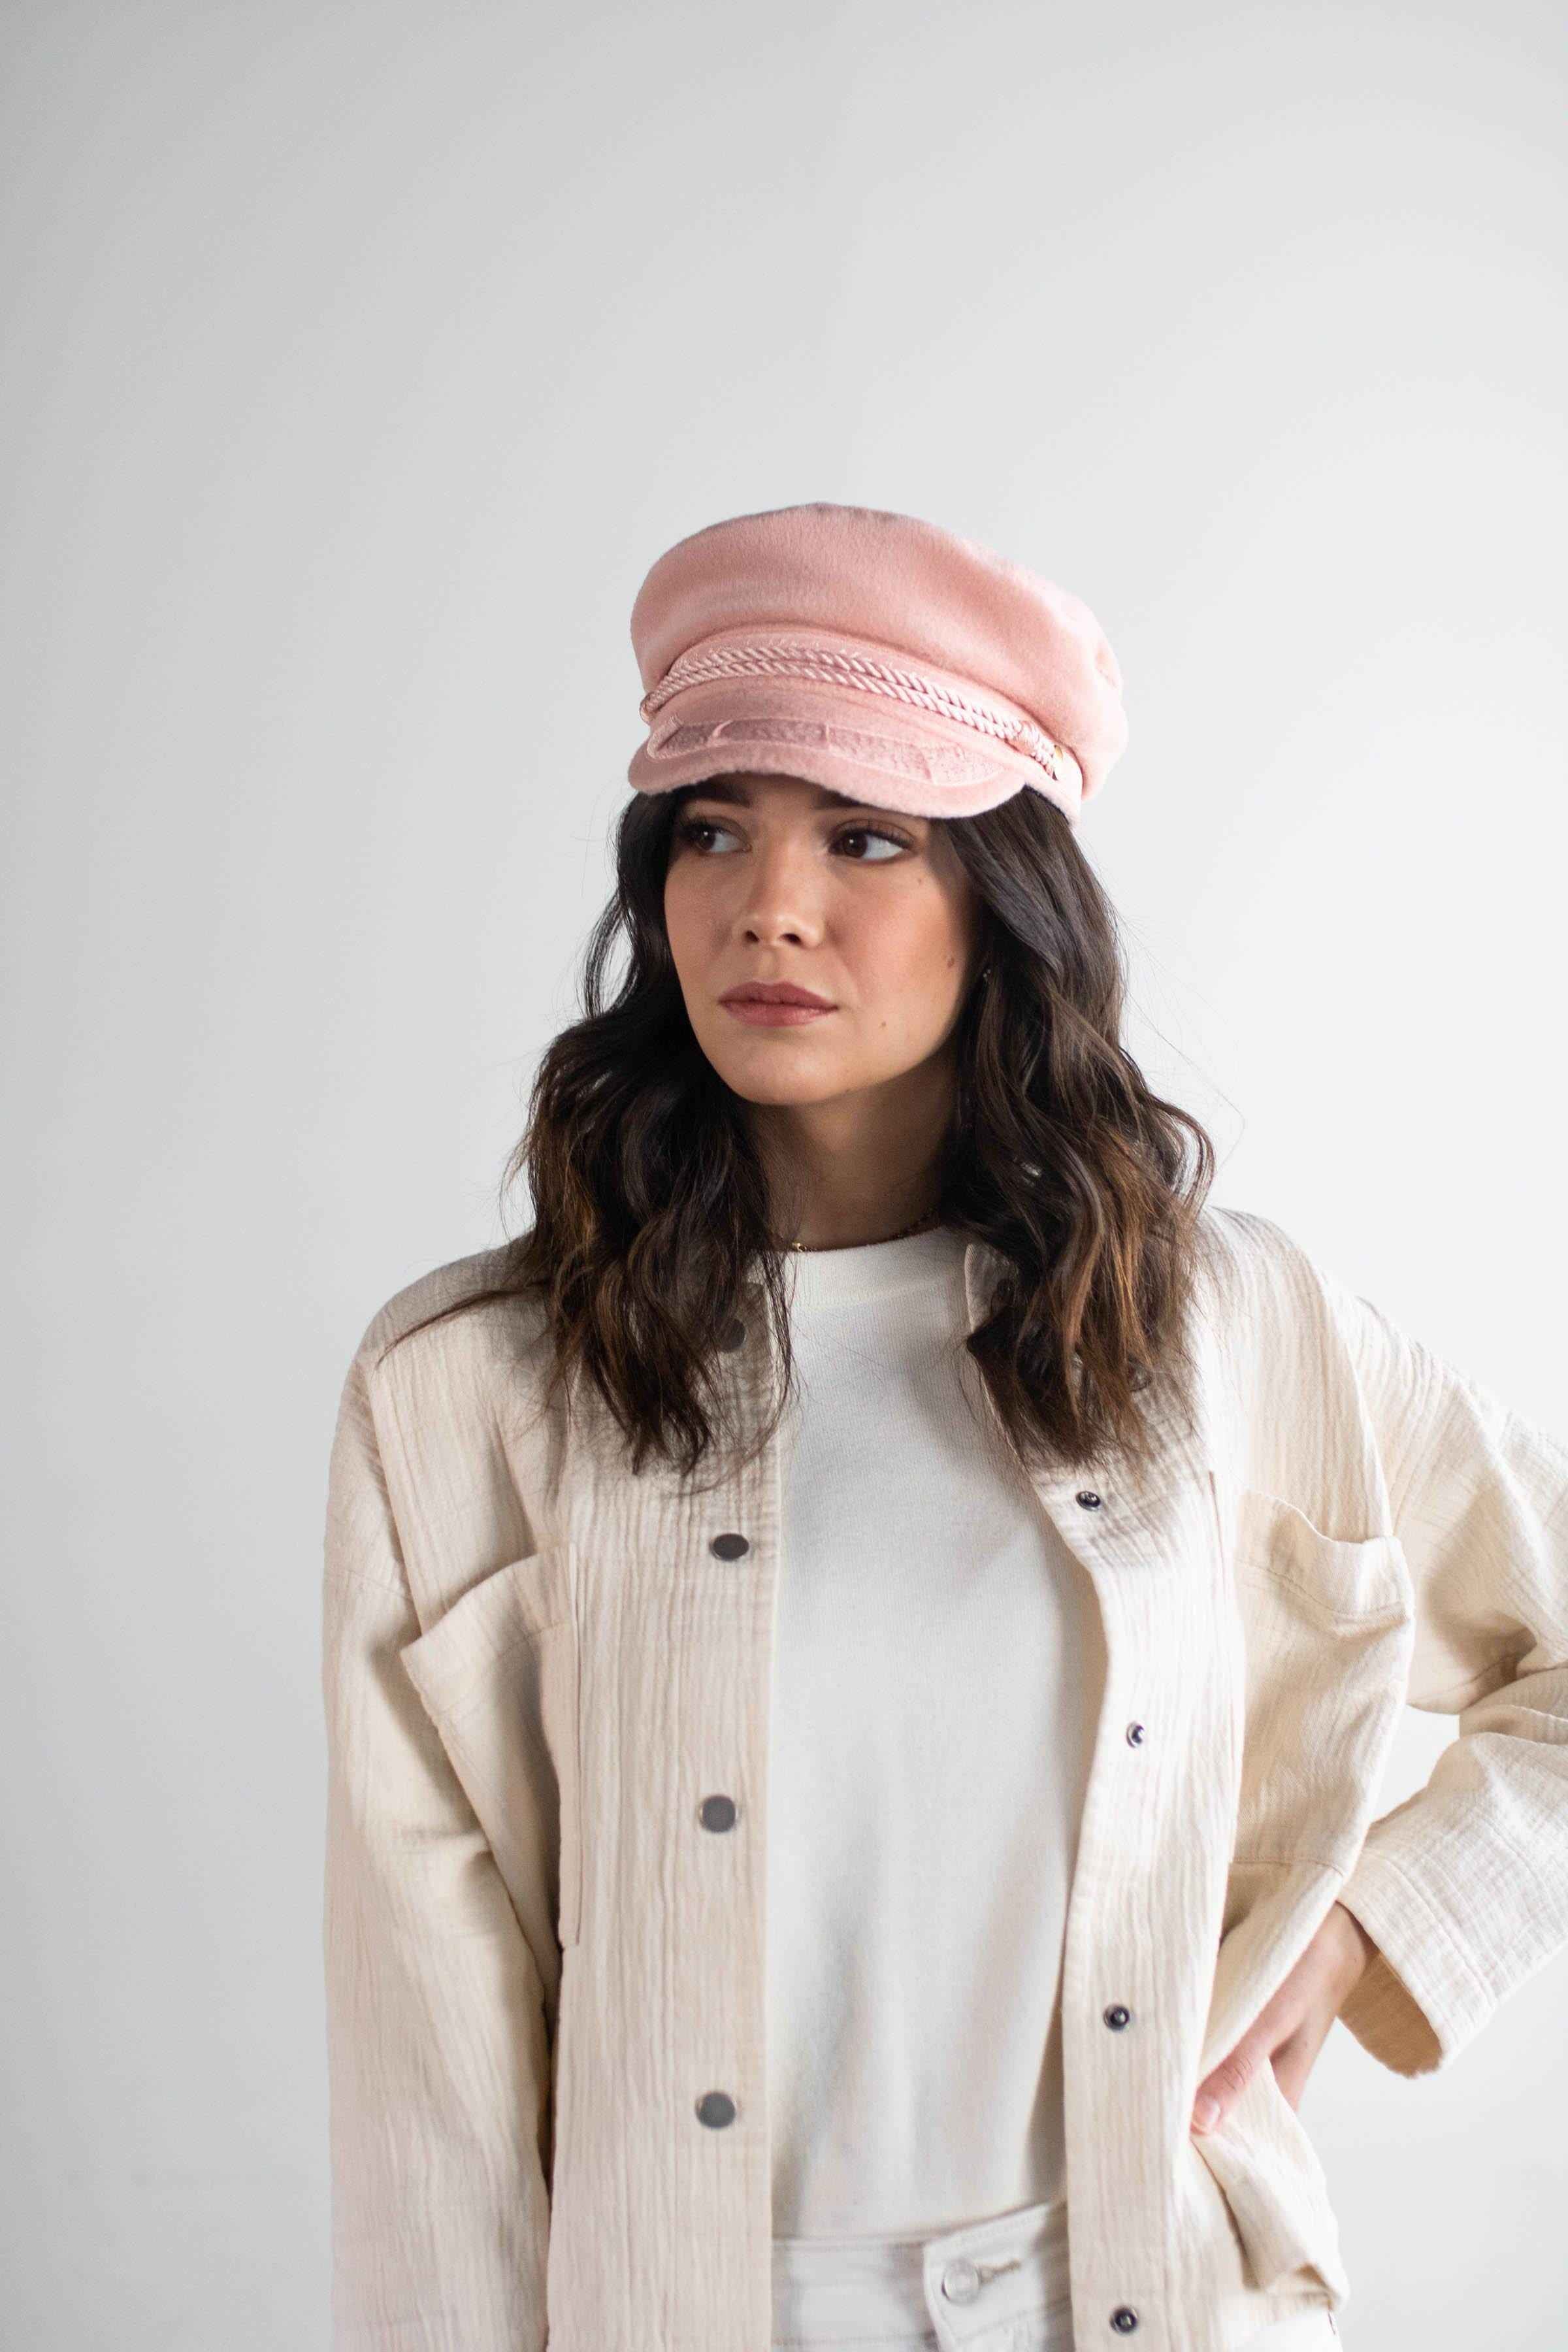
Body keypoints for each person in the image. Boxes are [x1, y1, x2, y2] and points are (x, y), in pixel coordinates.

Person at [319, 501, 1568, 2352]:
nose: (771, 904)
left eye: (866, 836)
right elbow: (432, 2097)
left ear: (1008, 896)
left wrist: (1374, 1934)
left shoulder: (1232, 1332)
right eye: (713, 828)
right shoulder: (468, 1393)